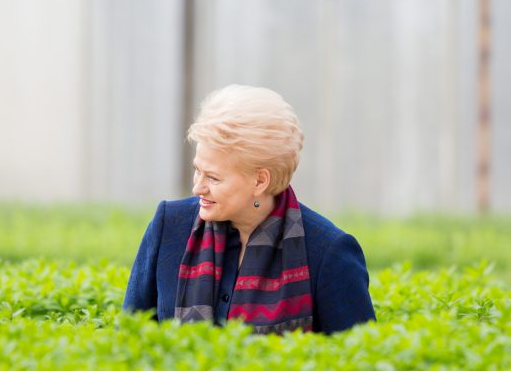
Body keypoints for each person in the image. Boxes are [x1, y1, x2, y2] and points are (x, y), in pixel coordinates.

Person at [124, 85, 374, 335]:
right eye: (197, 170)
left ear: (260, 181)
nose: (197, 188)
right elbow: (130, 340)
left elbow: (358, 360)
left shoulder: (330, 253)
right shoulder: (168, 226)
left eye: (213, 178)